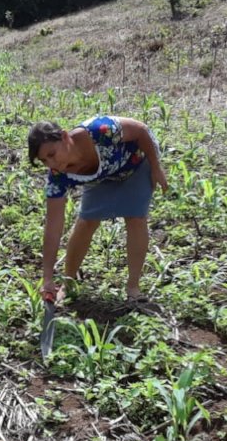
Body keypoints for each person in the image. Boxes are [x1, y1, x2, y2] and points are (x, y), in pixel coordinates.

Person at [27, 115, 169, 304]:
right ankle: (68, 283)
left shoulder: (99, 131)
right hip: (103, 175)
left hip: (137, 161)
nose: (51, 163)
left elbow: (141, 130)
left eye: (52, 154)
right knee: (87, 221)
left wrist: (156, 167)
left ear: (64, 137)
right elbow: (53, 227)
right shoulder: (57, 176)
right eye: (44, 160)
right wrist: (47, 278)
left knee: (135, 217)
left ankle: (133, 288)